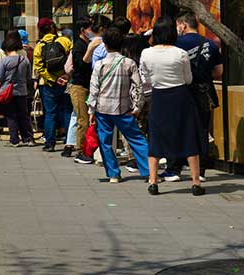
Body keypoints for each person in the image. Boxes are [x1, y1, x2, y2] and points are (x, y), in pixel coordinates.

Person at [140, 17, 205, 196]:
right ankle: (196, 182)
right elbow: (188, 79)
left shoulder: (146, 53)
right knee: (188, 136)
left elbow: (145, 77)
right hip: (180, 97)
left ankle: (153, 181)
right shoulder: (180, 53)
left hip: (159, 97)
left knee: (156, 137)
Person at [166, 12, 224, 181]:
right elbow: (219, 72)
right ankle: (200, 170)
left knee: (177, 128)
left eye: (177, 25)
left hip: (180, 92)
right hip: (204, 93)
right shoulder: (211, 44)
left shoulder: (174, 44)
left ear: (183, 25)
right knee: (202, 130)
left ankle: (174, 168)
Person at [88, 27, 150, 183]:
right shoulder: (129, 63)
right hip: (123, 109)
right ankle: (149, 170)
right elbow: (139, 86)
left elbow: (94, 89)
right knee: (137, 139)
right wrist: (137, 107)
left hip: (103, 109)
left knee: (105, 141)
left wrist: (91, 110)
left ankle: (113, 173)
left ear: (105, 44)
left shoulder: (100, 64)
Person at [32, 18, 73, 152]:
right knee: (67, 111)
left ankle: (50, 143)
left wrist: (52, 79)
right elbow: (72, 59)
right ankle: (69, 141)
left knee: (50, 113)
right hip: (65, 81)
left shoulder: (39, 46)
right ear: (52, 27)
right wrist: (65, 76)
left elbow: (38, 67)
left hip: (47, 84)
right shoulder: (64, 41)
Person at [0, 31, 34, 146]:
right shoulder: (24, 60)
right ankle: (28, 138)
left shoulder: (4, 61)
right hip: (22, 91)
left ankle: (14, 139)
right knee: (23, 115)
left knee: (11, 116)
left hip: (8, 92)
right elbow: (28, 77)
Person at [69, 17, 97, 163]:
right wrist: (91, 49)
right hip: (79, 87)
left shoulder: (88, 43)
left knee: (90, 120)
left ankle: (88, 148)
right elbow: (80, 64)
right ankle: (80, 151)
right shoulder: (79, 45)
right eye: (90, 28)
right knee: (83, 120)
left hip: (89, 86)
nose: (91, 31)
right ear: (82, 30)